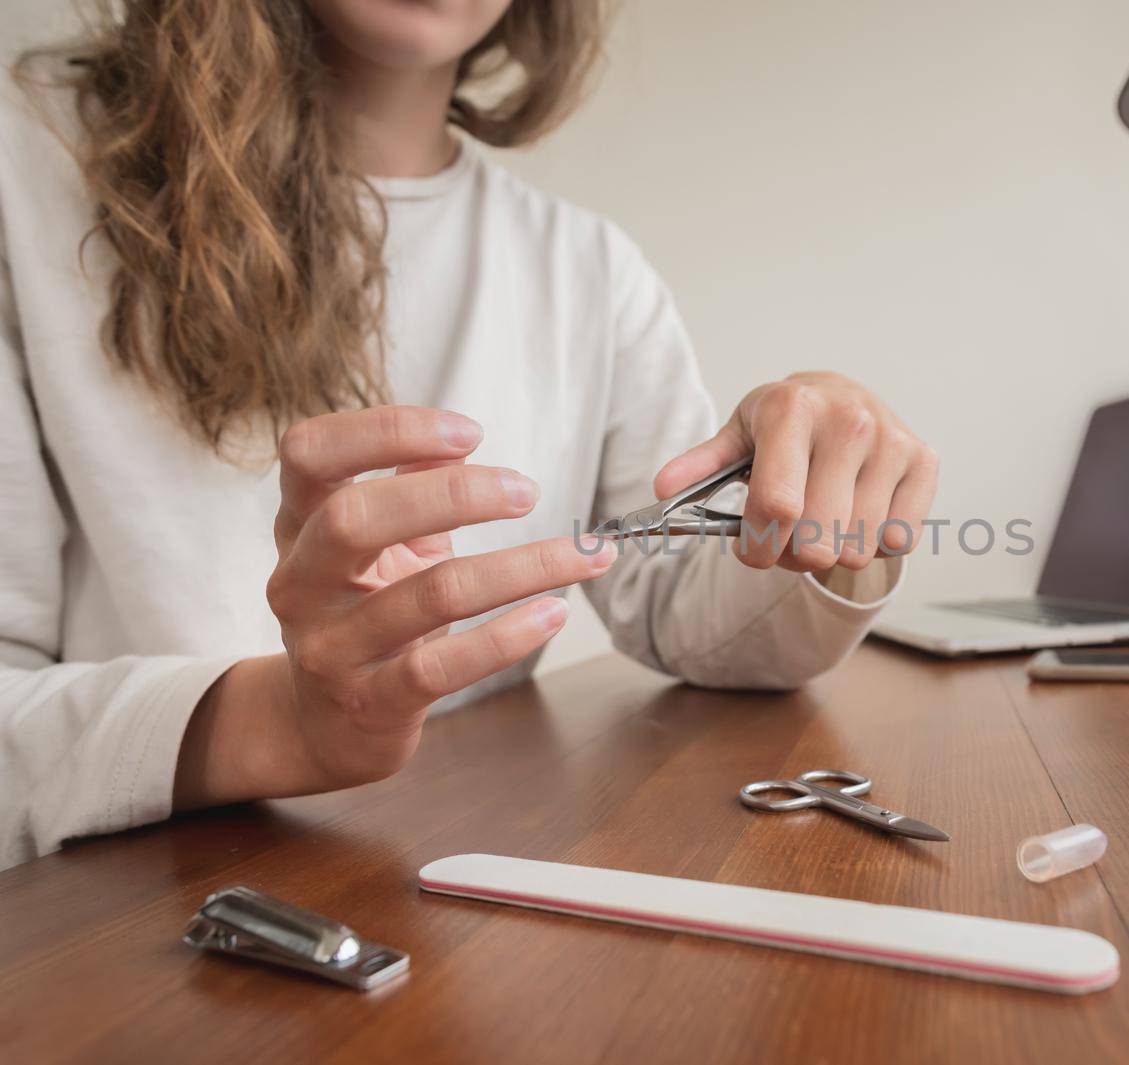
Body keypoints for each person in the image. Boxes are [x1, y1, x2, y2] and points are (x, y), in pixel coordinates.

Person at [0, 0, 937, 871]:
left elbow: (699, 625)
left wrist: (825, 513)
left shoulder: (586, 271)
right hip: (111, 929)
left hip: (437, 891)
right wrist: (276, 723)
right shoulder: (25, 165)